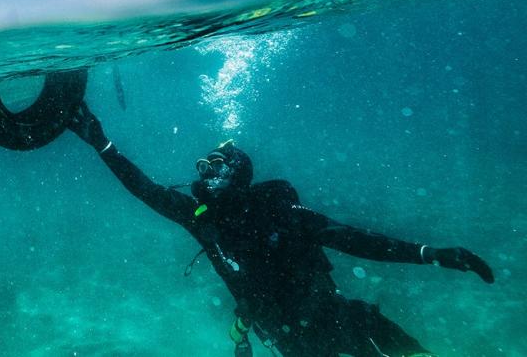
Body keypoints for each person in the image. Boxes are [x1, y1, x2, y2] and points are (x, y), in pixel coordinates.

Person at [66, 102, 494, 356]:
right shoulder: (202, 219)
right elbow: (144, 189)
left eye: (216, 166)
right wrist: (101, 143)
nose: (205, 173)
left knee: (369, 327)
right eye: (203, 167)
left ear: (239, 173)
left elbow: (353, 240)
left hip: (331, 318)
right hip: (291, 342)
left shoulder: (283, 212)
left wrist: (429, 254)